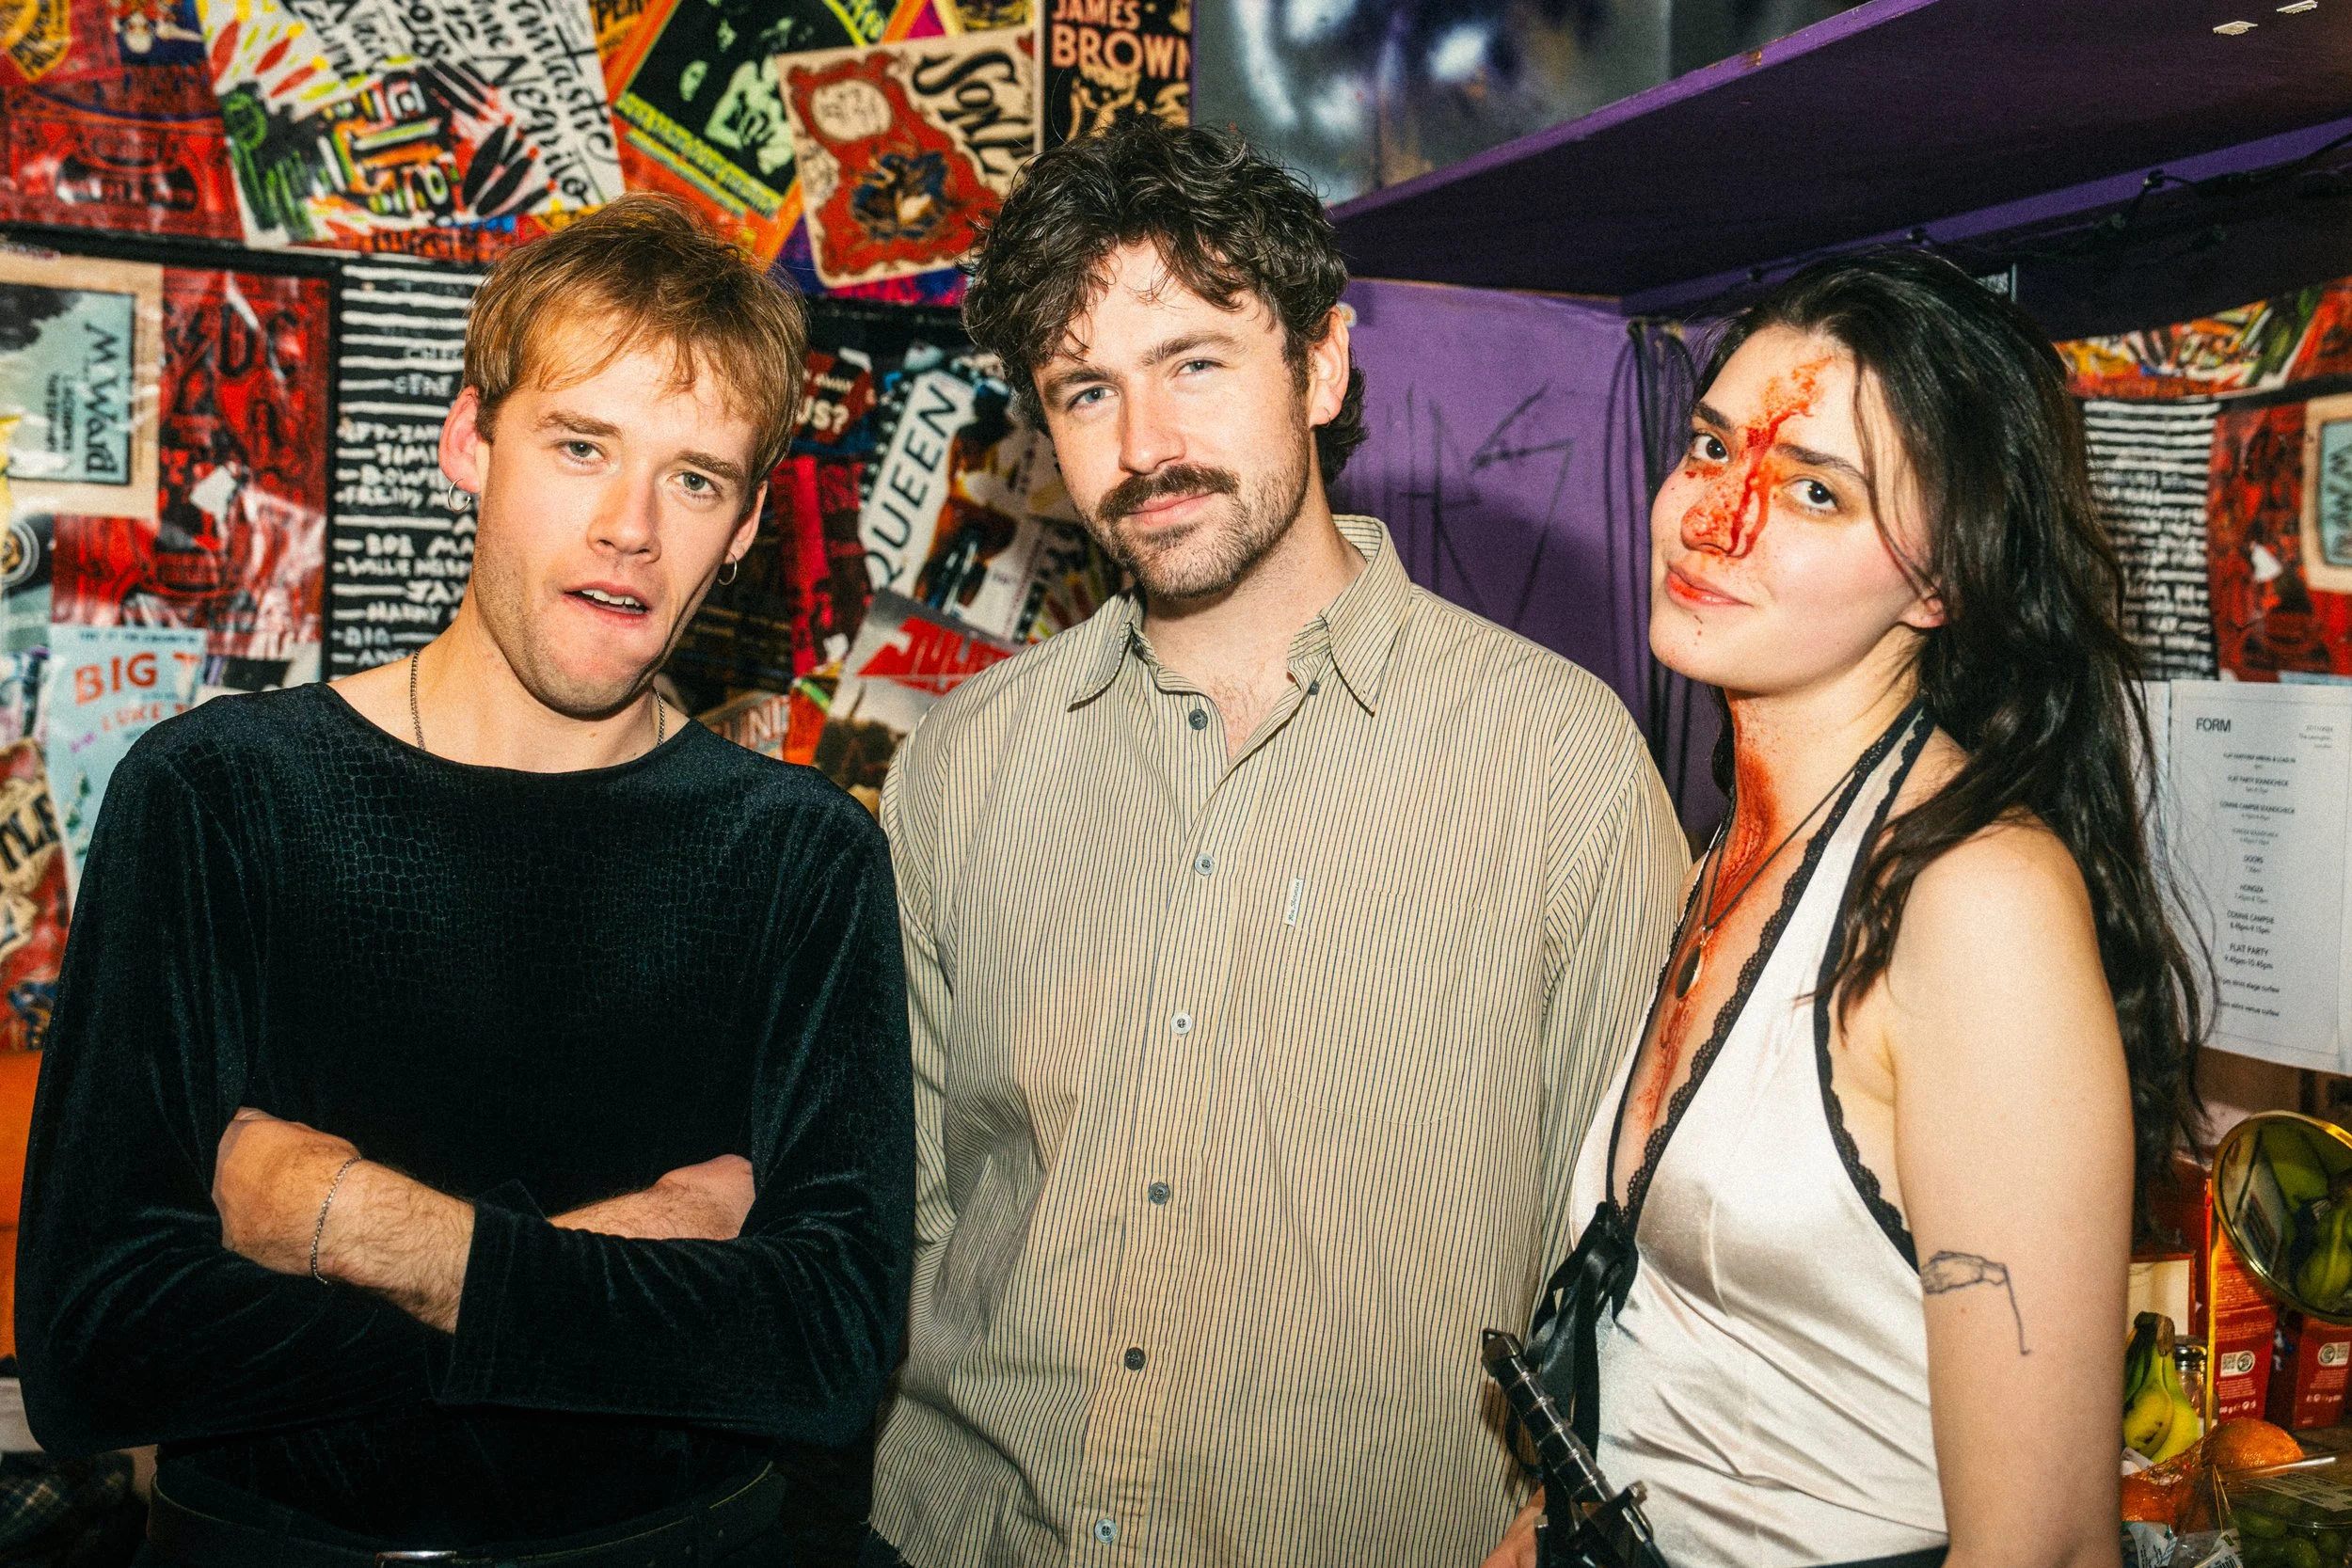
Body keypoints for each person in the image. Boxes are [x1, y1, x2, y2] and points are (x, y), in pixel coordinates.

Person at [15, 195, 914, 1566]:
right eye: (579, 444)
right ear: (467, 444)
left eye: (695, 477)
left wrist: (364, 1225)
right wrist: (623, 1268)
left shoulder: (801, 854)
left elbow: (823, 1353)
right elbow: (100, 1347)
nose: (631, 526)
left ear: (740, 534)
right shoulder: (220, 797)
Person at [869, 119, 1687, 1567]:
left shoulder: (1560, 765)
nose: (1143, 448)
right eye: (1085, 391)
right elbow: (913, 1218)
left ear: (1320, 365)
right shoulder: (960, 766)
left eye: (1194, 362)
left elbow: (1647, 1283)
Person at [1487, 250, 2204, 1568]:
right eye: (1710, 447)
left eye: (1815, 490)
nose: (1717, 517)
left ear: (1941, 582)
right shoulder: (1744, 842)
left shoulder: (1974, 899)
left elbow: (2040, 1544)